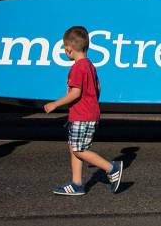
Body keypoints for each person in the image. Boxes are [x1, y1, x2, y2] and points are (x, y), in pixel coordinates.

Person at [43, 25, 124, 196]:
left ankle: (111, 168)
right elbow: (98, 87)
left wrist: (55, 104)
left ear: (68, 49)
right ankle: (76, 184)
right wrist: (91, 102)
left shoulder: (77, 68)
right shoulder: (89, 66)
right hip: (87, 113)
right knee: (74, 147)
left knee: (79, 149)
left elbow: (75, 93)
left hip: (82, 115)